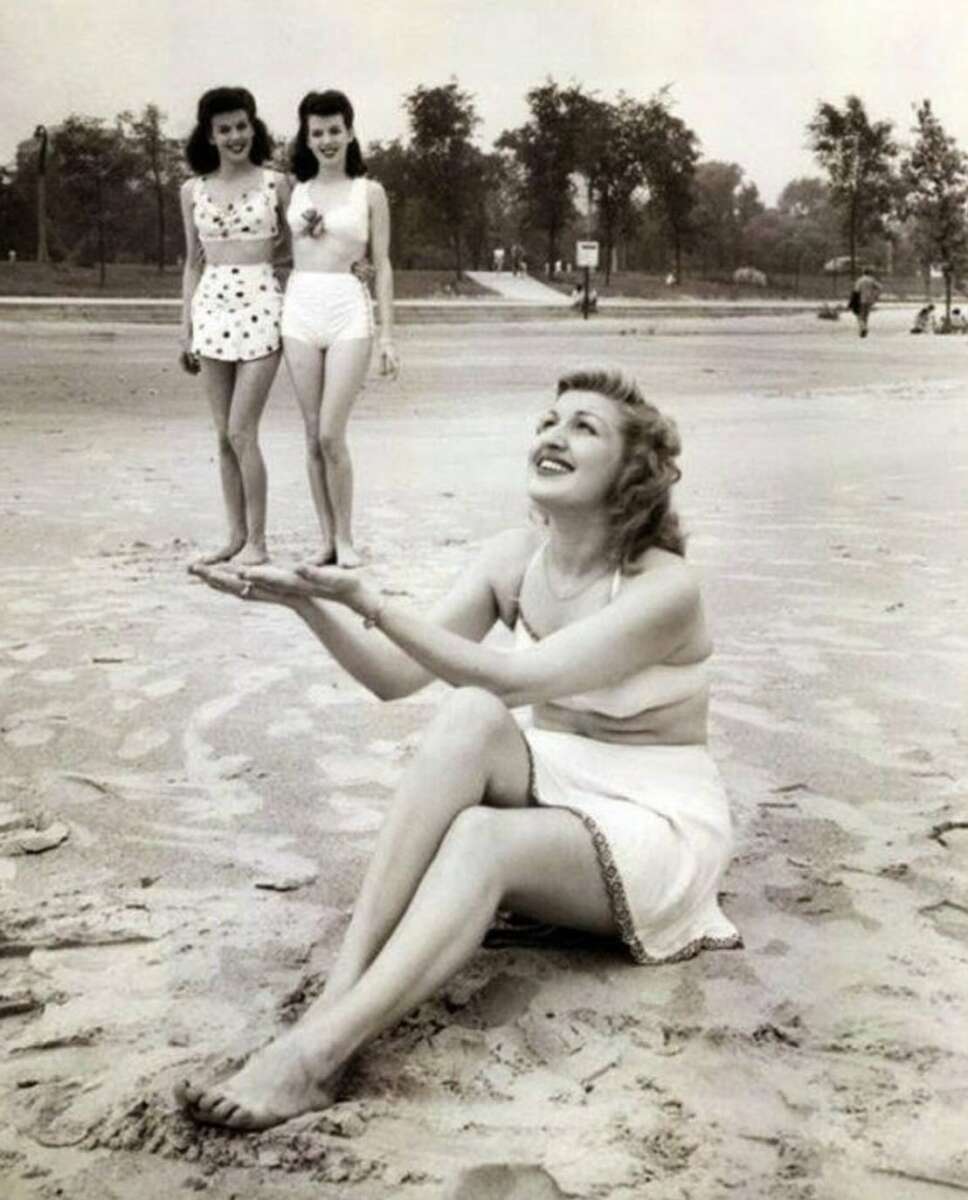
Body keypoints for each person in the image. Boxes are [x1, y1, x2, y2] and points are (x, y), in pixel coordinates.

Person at [177, 367, 741, 1132]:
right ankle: (337, 993)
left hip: (656, 820)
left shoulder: (666, 588)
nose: (554, 435)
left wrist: (374, 602)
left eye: (584, 428)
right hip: (562, 779)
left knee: (480, 831)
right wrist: (308, 604)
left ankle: (316, 1058)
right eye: (549, 421)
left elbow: (515, 678)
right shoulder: (514, 558)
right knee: (469, 716)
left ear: (631, 474)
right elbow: (394, 677)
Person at [282, 90, 398, 568]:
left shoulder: (369, 192)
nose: (327, 140)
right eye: (317, 132)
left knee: (332, 433)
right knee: (312, 434)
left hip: (349, 309)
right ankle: (326, 539)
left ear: (350, 132)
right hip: (299, 308)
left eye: (335, 130)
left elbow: (382, 264)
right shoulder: (294, 189)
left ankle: (347, 539)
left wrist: (388, 336)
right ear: (306, 138)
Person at [180, 86, 289, 567]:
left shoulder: (276, 183)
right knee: (223, 435)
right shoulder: (192, 190)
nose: (235, 136)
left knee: (243, 429)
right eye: (224, 129)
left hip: (262, 306)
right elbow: (192, 263)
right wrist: (185, 327)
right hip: (211, 309)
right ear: (210, 135)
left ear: (253, 126)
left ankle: (258, 542)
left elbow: (296, 253)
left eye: (241, 125)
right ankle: (235, 536)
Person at [848, 271, 881, 338]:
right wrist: (875, 295)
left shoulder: (860, 280)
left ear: (863, 273)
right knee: (866, 315)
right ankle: (864, 328)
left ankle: (863, 328)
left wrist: (852, 301)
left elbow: (856, 290)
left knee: (860, 316)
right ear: (869, 273)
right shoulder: (872, 280)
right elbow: (880, 287)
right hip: (870, 300)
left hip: (861, 300)